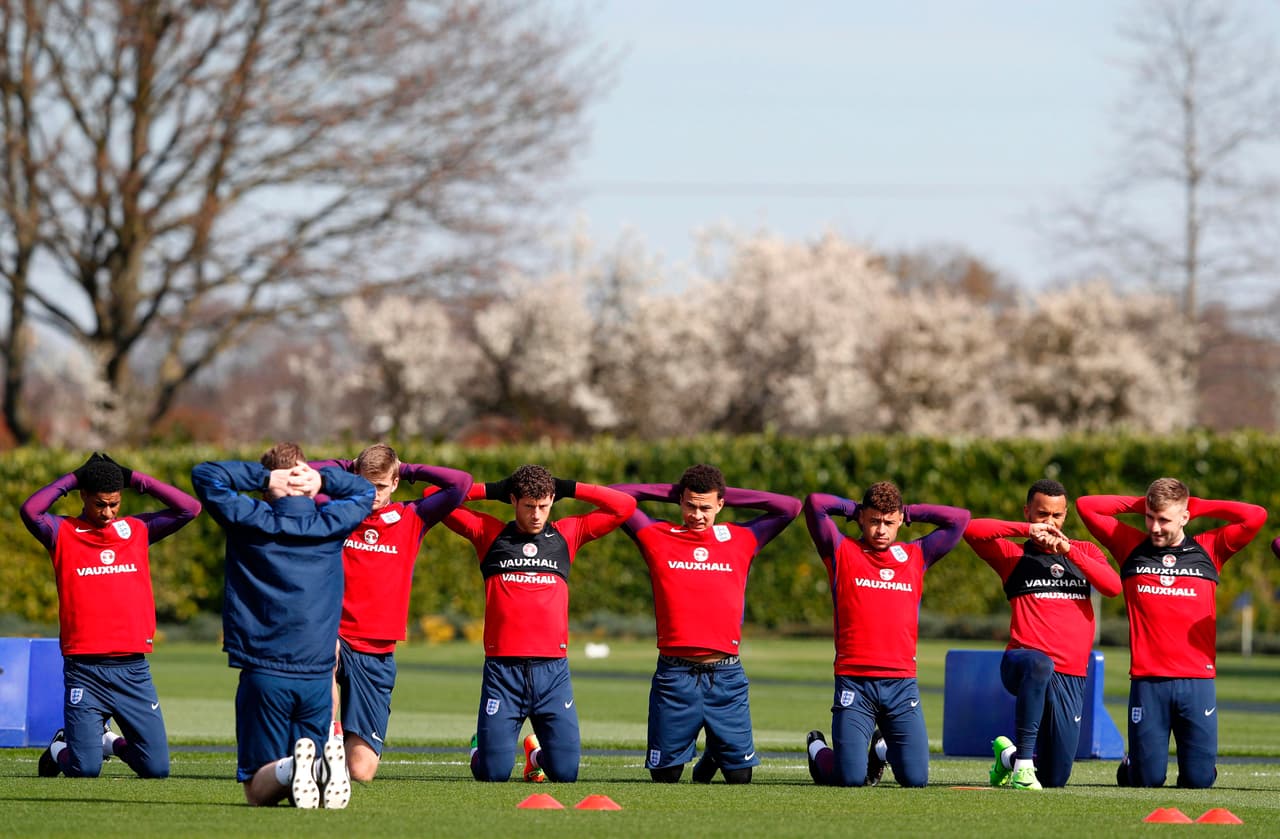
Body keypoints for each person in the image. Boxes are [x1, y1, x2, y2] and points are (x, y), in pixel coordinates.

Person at [191, 443, 374, 808]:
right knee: (298, 797)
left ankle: (295, 769)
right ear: (306, 482)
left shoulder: (249, 518)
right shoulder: (331, 522)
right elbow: (365, 491)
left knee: (257, 791)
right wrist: (322, 479)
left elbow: (205, 476)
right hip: (319, 675)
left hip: (265, 670)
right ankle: (316, 768)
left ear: (267, 488)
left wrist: (264, 477)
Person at [440, 464, 635, 783]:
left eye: (544, 506)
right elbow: (435, 496)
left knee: (565, 774)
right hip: (503, 673)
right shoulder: (489, 534)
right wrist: (493, 489)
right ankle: (481, 750)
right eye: (529, 505)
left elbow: (624, 506)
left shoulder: (567, 534)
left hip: (553, 673)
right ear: (513, 500)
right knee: (494, 774)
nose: (536, 514)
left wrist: (568, 486)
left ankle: (535, 755)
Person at [610, 465, 801, 784]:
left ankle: (717, 749)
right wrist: (675, 492)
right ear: (680, 503)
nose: (697, 514)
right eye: (689, 505)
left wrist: (722, 492)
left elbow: (790, 506)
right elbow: (615, 495)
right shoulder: (656, 535)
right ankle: (712, 743)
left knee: (740, 778)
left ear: (721, 505)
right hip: (675, 676)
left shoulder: (742, 538)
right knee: (666, 776)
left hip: (725, 676)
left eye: (706, 507)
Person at [20, 452, 200, 779]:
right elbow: (30, 510)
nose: (108, 512)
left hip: (133, 671)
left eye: (115, 504)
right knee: (84, 769)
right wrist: (75, 476)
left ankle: (109, 742)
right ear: (83, 496)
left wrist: (133, 477)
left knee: (156, 768)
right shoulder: (62, 532)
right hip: (85, 670)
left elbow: (190, 508)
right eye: (100, 503)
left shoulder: (136, 529)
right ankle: (59, 747)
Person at [1077, 478, 1265, 789]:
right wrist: (1144, 503)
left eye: (1164, 519)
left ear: (1185, 517)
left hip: (1197, 681)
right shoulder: (1130, 547)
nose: (1154, 527)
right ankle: (1133, 763)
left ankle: (1201, 764)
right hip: (1148, 680)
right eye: (1150, 517)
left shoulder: (1209, 548)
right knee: (1146, 780)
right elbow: (1088, 507)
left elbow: (1255, 515)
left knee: (1199, 781)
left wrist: (1200, 505)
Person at [311, 444, 472, 782]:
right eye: (365, 484)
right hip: (333, 633)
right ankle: (328, 737)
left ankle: (333, 752)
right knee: (322, 653)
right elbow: (303, 475)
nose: (372, 494)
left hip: (378, 650)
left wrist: (409, 468)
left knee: (362, 771)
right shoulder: (335, 511)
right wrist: (347, 463)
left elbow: (460, 484)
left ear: (395, 483)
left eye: (381, 486)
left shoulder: (413, 517)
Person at [802, 481, 969, 788]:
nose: (881, 530)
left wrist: (909, 513)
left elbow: (959, 519)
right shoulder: (841, 550)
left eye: (889, 523)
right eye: (874, 521)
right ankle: (817, 750)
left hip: (902, 686)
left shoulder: (916, 555)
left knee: (915, 779)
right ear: (863, 519)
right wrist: (855, 509)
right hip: (855, 683)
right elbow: (815, 504)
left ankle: (880, 751)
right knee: (851, 778)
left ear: (898, 523)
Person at [963, 478, 1121, 790]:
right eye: (1041, 515)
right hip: (1024, 662)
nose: (1049, 523)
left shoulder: (1084, 551)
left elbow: (1113, 587)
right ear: (1027, 512)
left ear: (1065, 516)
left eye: (1057, 516)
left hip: (1070, 674)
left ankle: (1008, 757)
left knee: (1055, 778)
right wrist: (1026, 531)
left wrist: (1068, 550)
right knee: (1040, 664)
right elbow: (971, 529)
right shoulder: (1013, 556)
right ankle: (1022, 765)